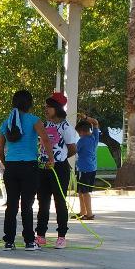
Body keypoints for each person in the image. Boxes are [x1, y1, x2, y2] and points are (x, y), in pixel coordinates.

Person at [0, 90, 46, 250]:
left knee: (11, 205)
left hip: (11, 167)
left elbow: (0, 150)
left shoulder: (6, 123)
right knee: (27, 206)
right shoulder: (34, 120)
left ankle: (9, 241)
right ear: (30, 104)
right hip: (29, 166)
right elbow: (45, 140)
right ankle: (29, 241)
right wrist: (50, 158)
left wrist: (7, 164)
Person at [36, 92, 78, 249]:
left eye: (49, 107)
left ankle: (61, 236)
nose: (46, 109)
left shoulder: (66, 128)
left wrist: (59, 158)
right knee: (43, 202)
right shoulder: (44, 125)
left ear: (57, 108)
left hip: (59, 168)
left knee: (59, 201)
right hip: (43, 168)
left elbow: (72, 149)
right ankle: (40, 235)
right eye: (45, 107)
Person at [74, 117, 99, 221]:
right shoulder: (94, 137)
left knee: (84, 192)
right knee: (81, 191)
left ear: (81, 132)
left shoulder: (82, 140)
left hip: (83, 169)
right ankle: (83, 212)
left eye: (78, 133)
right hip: (92, 168)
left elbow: (74, 150)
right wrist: (86, 118)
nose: (78, 135)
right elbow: (95, 123)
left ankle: (89, 214)